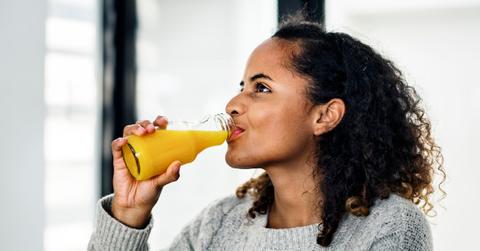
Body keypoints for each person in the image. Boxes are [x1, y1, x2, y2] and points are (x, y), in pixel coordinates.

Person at [88, 14, 445, 251]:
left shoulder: (390, 228)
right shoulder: (220, 224)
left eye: (261, 89)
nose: (232, 103)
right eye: (241, 86)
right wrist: (128, 212)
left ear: (325, 115)